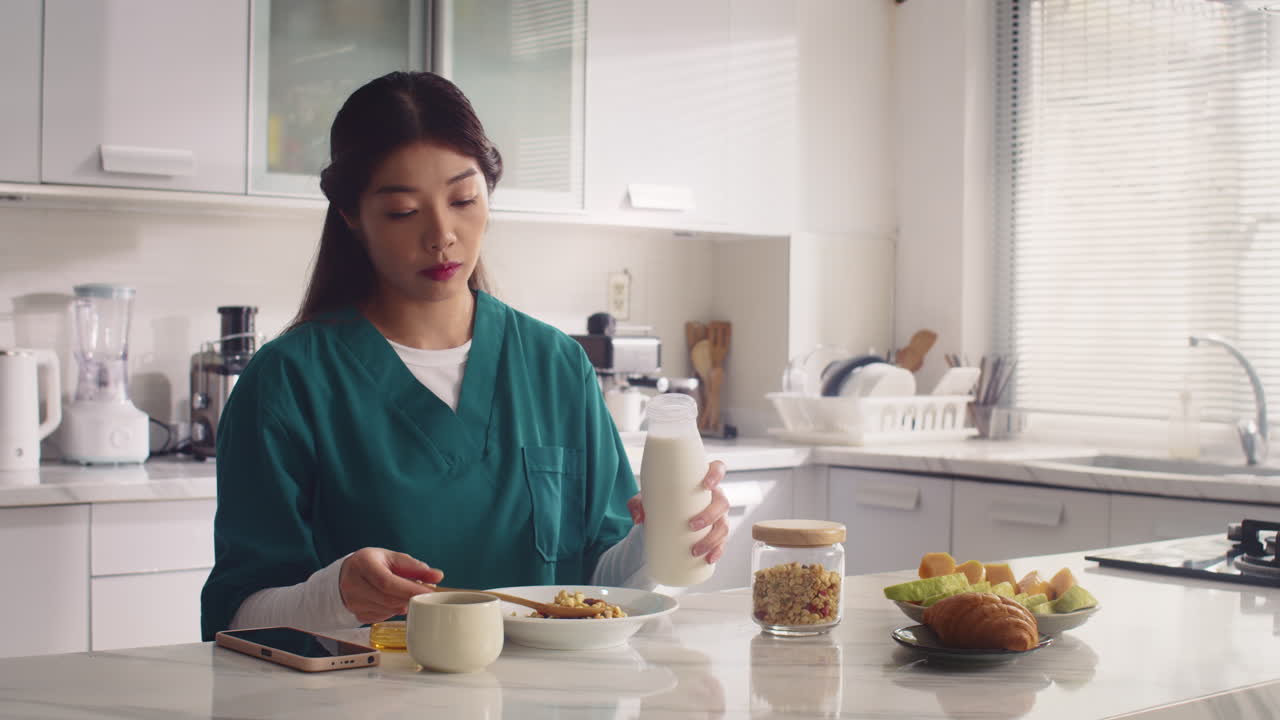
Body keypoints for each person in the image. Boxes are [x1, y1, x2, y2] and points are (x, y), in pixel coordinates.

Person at [200, 71, 729, 639]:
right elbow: (235, 617)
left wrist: (665, 538)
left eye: (463, 199)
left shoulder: (555, 365)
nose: (441, 234)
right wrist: (335, 594)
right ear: (351, 215)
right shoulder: (289, 382)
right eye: (403, 211)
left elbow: (602, 585)